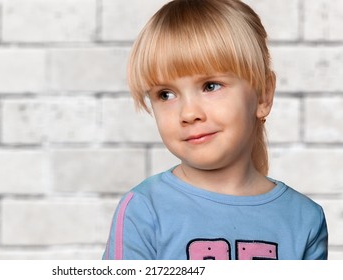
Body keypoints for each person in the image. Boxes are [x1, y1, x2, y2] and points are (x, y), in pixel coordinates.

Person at [103, 0, 328, 260]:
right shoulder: (143, 210)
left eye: (210, 86)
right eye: (165, 94)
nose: (188, 114)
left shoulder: (304, 220)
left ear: (263, 95)